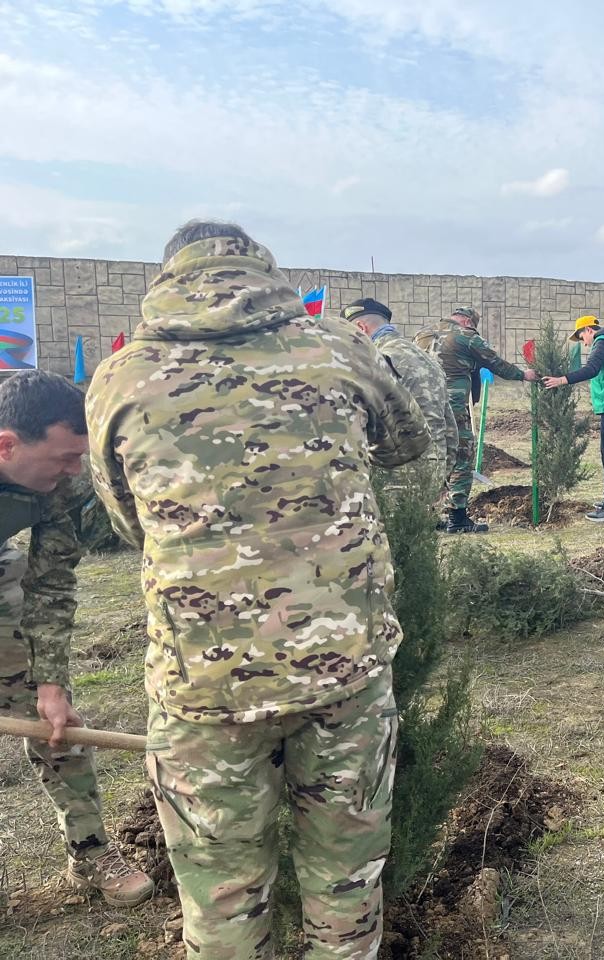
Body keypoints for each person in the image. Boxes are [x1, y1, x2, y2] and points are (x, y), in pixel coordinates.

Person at [85, 220, 431, 958]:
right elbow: (408, 443)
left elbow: (124, 517)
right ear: (265, 269)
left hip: (201, 685)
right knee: (345, 886)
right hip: (344, 670)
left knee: (219, 896)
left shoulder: (122, 373)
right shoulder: (340, 345)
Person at [0, 371, 154, 908]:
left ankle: (90, 854)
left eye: (78, 456)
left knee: (54, 725)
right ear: (7, 445)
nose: (75, 469)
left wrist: (51, 684)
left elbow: (50, 583)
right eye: (64, 458)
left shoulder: (65, 481)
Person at [415, 307, 536, 533]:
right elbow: (495, 363)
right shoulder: (467, 336)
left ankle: (426, 515)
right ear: (468, 321)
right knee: (461, 457)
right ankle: (457, 518)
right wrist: (523, 375)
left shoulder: (422, 335)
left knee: (430, 458)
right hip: (452, 408)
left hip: (421, 407)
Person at [342, 297, 458, 495]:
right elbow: (450, 429)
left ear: (361, 328)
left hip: (394, 476)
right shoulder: (427, 360)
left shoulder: (375, 359)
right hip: (432, 470)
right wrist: (442, 473)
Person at [541, 315, 604, 522]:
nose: (583, 342)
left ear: (588, 330)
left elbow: (591, 369)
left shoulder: (602, 342)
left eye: (581, 336)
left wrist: (562, 380)